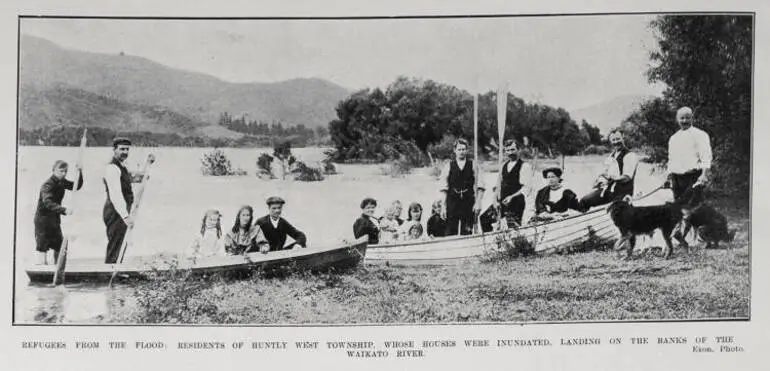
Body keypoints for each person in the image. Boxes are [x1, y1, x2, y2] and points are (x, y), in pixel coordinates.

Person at [665, 106, 713, 246]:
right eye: (682, 118)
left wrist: (704, 175)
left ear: (692, 118)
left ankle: (703, 238)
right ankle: (683, 239)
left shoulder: (700, 135)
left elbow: (706, 158)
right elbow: (671, 160)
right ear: (677, 119)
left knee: (695, 208)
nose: (684, 120)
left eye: (687, 117)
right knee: (679, 208)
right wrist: (668, 178)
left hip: (693, 177)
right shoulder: (673, 138)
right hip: (676, 178)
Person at [102, 137, 154, 264]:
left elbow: (135, 178)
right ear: (114, 150)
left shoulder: (122, 167)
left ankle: (115, 268)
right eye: (121, 149)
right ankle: (110, 271)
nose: (125, 152)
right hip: (115, 211)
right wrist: (125, 217)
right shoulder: (112, 168)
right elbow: (116, 195)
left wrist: (148, 164)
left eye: (127, 149)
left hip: (121, 210)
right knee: (115, 242)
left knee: (121, 241)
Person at [33, 160, 83, 265]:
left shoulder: (62, 182)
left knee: (60, 246)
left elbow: (76, 186)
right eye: (61, 171)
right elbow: (48, 202)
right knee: (42, 246)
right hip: (43, 220)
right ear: (54, 170)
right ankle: (41, 268)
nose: (64, 173)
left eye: (65, 171)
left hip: (54, 219)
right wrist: (64, 210)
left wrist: (80, 172)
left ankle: (58, 267)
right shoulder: (47, 185)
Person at [578, 129, 638, 211]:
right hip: (608, 190)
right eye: (613, 140)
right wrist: (600, 181)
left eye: (618, 139)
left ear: (623, 138)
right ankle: (579, 222)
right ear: (610, 141)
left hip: (622, 193)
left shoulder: (630, 155)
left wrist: (613, 177)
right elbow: (606, 172)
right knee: (584, 201)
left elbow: (627, 178)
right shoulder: (611, 156)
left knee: (617, 212)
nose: (616, 142)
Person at [438, 138, 485, 236]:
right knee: (450, 232)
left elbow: (480, 186)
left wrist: (478, 203)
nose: (461, 152)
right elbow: (444, 188)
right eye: (459, 149)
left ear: (467, 150)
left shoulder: (474, 165)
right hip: (453, 202)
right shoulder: (448, 166)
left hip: (468, 201)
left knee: (467, 231)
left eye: (463, 149)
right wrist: (443, 206)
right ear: (454, 150)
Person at [494, 139, 532, 227]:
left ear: (518, 150)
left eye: (512, 150)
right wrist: (494, 199)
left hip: (516, 202)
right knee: (485, 219)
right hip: (502, 201)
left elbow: (526, 188)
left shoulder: (524, 166)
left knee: (513, 226)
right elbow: (498, 184)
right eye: (507, 150)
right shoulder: (503, 165)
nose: (510, 153)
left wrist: (511, 197)